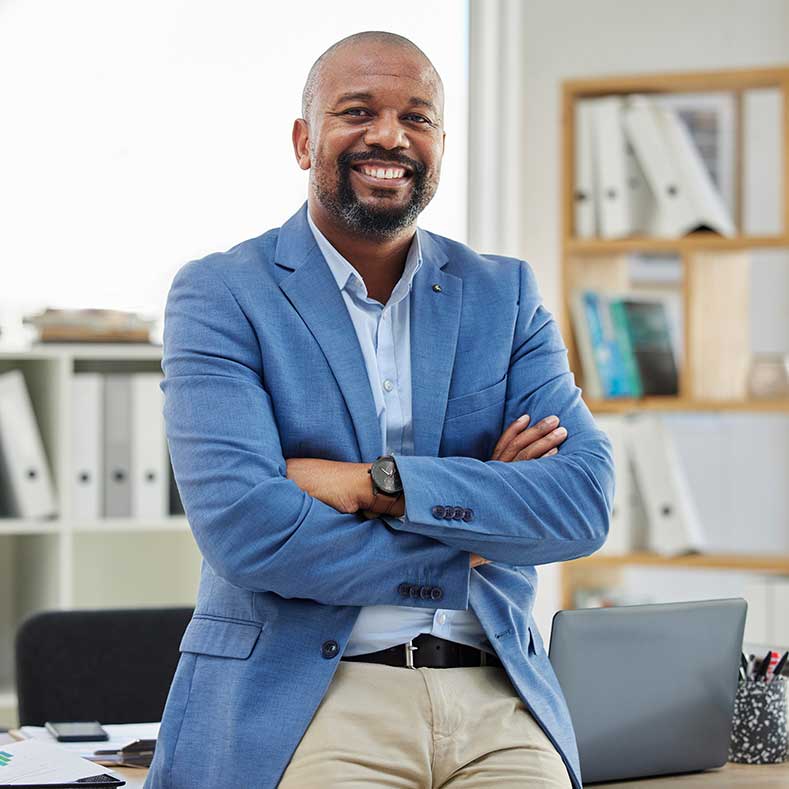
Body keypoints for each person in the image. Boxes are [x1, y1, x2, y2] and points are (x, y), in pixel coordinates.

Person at [144, 30, 613, 789]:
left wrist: (374, 485)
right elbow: (247, 528)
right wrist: (474, 536)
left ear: (439, 145)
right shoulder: (221, 293)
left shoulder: (505, 295)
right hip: (313, 695)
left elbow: (580, 505)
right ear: (304, 140)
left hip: (495, 696)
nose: (388, 135)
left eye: (416, 118)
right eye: (356, 110)